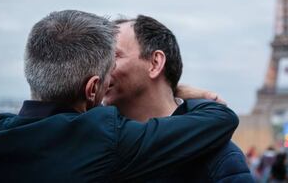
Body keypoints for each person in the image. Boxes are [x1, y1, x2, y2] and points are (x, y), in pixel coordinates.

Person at [0, 10, 239, 182]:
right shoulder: (103, 136)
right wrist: (184, 89)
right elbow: (221, 116)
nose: (110, 73)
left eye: (116, 58)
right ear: (92, 89)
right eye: (107, 65)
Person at [103, 15, 253, 182]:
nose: (99, 68)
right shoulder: (98, 140)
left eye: (113, 56)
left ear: (155, 63)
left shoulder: (220, 158)